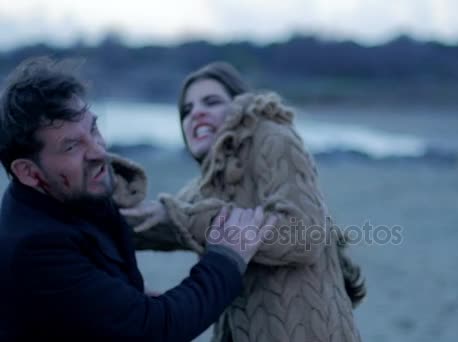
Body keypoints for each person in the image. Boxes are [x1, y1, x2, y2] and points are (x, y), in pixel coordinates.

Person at [0, 57, 275, 341]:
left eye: (93, 128)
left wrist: (115, 299)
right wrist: (227, 257)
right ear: (29, 172)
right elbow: (155, 328)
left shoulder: (65, 196)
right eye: (71, 146)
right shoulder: (33, 248)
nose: (98, 151)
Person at [121, 61, 366, 342]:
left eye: (211, 102)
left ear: (239, 108)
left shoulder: (273, 137)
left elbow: (303, 236)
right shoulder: (207, 184)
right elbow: (162, 222)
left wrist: (183, 217)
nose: (196, 113)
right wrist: (102, 202)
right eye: (186, 111)